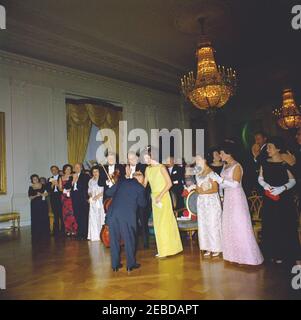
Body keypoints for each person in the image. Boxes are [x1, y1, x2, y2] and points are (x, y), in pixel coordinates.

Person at [210, 142, 264, 266]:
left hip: (237, 198)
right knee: (230, 225)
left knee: (240, 224)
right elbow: (224, 184)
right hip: (228, 197)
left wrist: (219, 179)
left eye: (222, 153)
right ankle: (233, 255)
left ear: (229, 154)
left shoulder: (237, 166)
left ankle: (247, 257)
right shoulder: (225, 166)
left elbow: (235, 184)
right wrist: (220, 187)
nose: (220, 155)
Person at [258, 137, 300, 264]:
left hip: (284, 200)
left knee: (285, 225)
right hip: (269, 198)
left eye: (270, 146)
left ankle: (289, 255)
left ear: (278, 148)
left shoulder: (285, 162)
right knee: (271, 225)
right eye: (267, 147)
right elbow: (260, 177)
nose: (268, 149)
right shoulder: (264, 162)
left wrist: (282, 188)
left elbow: (293, 180)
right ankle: (274, 254)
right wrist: (265, 185)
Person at [143, 146, 183, 258]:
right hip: (154, 198)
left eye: (146, 157)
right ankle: (162, 249)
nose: (144, 159)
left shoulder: (161, 167)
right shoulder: (147, 169)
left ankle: (168, 249)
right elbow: (144, 185)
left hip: (163, 197)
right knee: (158, 224)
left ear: (152, 156)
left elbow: (169, 183)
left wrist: (160, 195)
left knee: (165, 223)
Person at [106, 172, 147, 272]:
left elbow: (108, 193)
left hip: (112, 214)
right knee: (129, 240)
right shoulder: (140, 187)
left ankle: (115, 265)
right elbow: (143, 204)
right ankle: (130, 265)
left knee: (114, 240)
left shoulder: (121, 182)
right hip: (127, 216)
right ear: (140, 179)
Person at [195, 154, 222, 257]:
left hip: (211, 201)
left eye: (198, 159)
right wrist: (199, 190)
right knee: (204, 224)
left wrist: (203, 192)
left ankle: (216, 247)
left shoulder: (212, 173)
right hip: (202, 202)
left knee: (212, 223)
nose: (197, 161)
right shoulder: (198, 173)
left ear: (205, 160)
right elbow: (197, 188)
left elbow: (215, 189)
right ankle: (207, 247)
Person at [126, 151, 150, 249]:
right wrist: (127, 175)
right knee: (132, 222)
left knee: (143, 222)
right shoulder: (125, 168)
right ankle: (133, 243)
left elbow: (146, 184)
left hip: (141, 199)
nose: (131, 160)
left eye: (133, 158)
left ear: (137, 158)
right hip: (130, 200)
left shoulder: (143, 167)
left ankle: (145, 243)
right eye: (129, 159)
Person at [71, 163, 90, 240]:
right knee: (77, 215)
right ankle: (79, 232)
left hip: (82, 198)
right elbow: (68, 186)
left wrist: (76, 180)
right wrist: (73, 181)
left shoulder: (85, 176)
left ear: (81, 168)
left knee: (83, 216)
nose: (77, 168)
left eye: (78, 167)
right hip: (74, 197)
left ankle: (84, 233)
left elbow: (84, 186)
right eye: (75, 167)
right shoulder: (72, 176)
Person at [28, 174, 50, 239]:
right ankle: (36, 232)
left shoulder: (43, 185)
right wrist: (36, 196)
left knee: (44, 216)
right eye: (34, 179)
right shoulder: (31, 187)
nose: (35, 180)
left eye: (36, 178)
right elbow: (30, 197)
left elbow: (47, 193)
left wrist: (42, 194)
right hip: (35, 204)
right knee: (36, 217)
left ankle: (45, 231)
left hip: (43, 203)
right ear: (32, 180)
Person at [59, 164, 78, 237]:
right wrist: (64, 190)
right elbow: (60, 188)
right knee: (65, 213)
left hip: (72, 196)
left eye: (70, 169)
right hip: (64, 197)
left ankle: (74, 229)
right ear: (64, 170)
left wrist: (70, 189)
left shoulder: (73, 176)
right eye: (67, 169)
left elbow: (76, 185)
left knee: (73, 213)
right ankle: (68, 230)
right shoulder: (61, 178)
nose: (68, 170)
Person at [87, 166, 105, 241]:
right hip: (93, 201)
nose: (95, 173)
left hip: (101, 200)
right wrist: (91, 197)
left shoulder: (102, 180)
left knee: (101, 216)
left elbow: (105, 190)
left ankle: (103, 235)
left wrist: (97, 196)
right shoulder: (90, 181)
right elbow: (89, 191)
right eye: (93, 172)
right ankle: (94, 235)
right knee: (93, 217)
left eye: (96, 171)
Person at [47, 165, 64, 235]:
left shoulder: (61, 177)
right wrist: (52, 185)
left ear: (57, 170)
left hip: (60, 196)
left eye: (55, 169)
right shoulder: (49, 179)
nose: (54, 171)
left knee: (61, 214)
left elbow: (63, 188)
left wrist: (57, 184)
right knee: (55, 214)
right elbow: (48, 190)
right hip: (53, 198)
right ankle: (56, 231)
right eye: (52, 170)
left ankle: (63, 230)